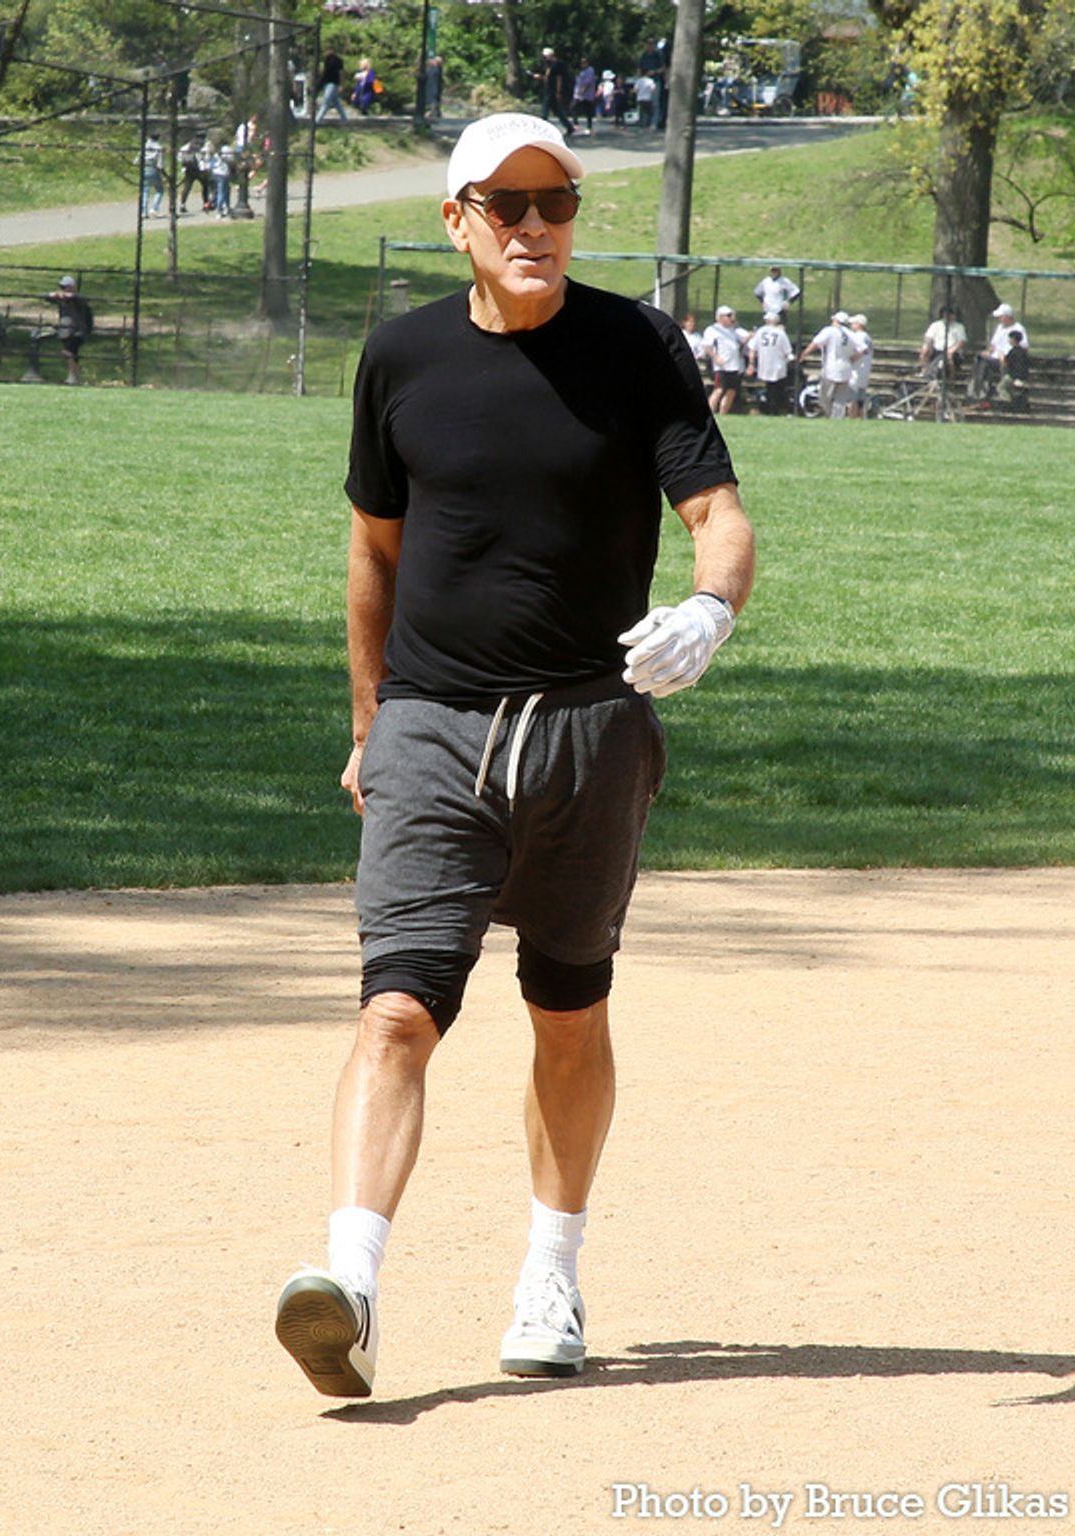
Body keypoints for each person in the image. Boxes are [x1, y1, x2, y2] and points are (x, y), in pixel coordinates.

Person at [273, 112, 754, 1401]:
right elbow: (374, 550)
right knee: (396, 1007)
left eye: (556, 203)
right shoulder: (401, 357)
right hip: (433, 726)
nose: (535, 225)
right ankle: (348, 1285)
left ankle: (552, 1269)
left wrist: (709, 609)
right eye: (507, 204)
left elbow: (717, 512)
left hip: (591, 731)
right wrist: (368, 724)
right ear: (457, 221)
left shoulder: (635, 345)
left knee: (567, 1008)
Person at [798, 308, 864, 419]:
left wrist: (804, 354)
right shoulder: (850, 334)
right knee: (840, 398)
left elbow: (816, 343)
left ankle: (829, 414)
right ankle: (837, 418)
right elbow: (862, 349)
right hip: (845, 367)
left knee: (824, 395)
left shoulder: (830, 330)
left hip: (831, 368)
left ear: (836, 320)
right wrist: (852, 359)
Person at [44, 275, 93, 385]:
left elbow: (79, 298)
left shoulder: (78, 299)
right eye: (62, 287)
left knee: (68, 352)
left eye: (65, 287)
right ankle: (75, 376)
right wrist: (53, 294)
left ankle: (73, 376)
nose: (63, 289)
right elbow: (45, 296)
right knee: (71, 353)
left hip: (78, 330)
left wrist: (68, 295)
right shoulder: (62, 299)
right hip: (67, 330)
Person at [702, 303, 750, 416]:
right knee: (719, 389)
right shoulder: (713, 330)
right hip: (721, 366)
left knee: (731, 391)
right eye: (728, 316)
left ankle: (723, 413)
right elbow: (706, 346)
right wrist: (715, 358)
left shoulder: (733, 330)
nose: (731, 318)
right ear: (720, 317)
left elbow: (744, 339)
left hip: (734, 365)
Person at [746, 310, 795, 415]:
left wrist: (751, 364)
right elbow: (788, 351)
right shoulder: (780, 333)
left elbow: (752, 349)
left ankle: (771, 409)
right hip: (778, 365)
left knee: (770, 388)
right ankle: (776, 409)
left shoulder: (760, 332)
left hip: (764, 364)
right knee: (778, 388)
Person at [537, 47, 576, 135]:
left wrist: (558, 91)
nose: (545, 58)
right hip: (548, 89)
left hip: (553, 90)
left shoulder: (558, 64)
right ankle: (569, 127)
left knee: (545, 109)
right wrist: (540, 77)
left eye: (546, 56)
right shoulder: (548, 65)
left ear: (551, 55)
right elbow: (547, 77)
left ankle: (541, 126)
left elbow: (559, 78)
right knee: (557, 111)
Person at [919, 305, 967, 375]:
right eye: (945, 314)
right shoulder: (935, 325)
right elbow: (928, 338)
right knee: (925, 350)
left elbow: (961, 342)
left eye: (950, 315)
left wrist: (952, 350)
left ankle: (952, 377)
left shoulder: (959, 327)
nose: (948, 317)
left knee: (949, 356)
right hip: (937, 350)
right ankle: (925, 371)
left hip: (953, 352)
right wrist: (928, 346)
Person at [996, 328, 1030, 413]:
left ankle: (1007, 402)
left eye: (1010, 338)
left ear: (1013, 340)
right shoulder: (1023, 351)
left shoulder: (1013, 351)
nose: (1009, 340)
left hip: (1013, 376)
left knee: (1000, 387)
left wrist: (1001, 356)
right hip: (1023, 376)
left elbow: (1005, 363)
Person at [848, 313, 873, 419]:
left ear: (859, 324)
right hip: (864, 370)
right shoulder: (867, 337)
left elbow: (862, 350)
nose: (851, 325)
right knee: (860, 398)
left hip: (857, 370)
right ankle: (860, 416)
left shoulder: (859, 336)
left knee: (853, 397)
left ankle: (852, 417)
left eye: (853, 323)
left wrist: (850, 360)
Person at [317, 49, 348, 122]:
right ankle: (344, 119)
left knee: (326, 101)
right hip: (327, 83)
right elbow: (324, 72)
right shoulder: (326, 60)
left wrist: (341, 84)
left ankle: (318, 119)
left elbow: (341, 73)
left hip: (333, 83)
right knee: (337, 102)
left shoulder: (338, 60)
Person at [178, 138, 208, 213]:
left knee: (187, 187)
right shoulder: (198, 149)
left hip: (188, 170)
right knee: (205, 186)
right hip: (197, 170)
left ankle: (182, 205)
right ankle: (206, 204)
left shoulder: (184, 149)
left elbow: (180, 159)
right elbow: (200, 160)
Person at [571, 58, 597, 135]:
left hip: (586, 95)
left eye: (584, 62)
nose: (582, 64)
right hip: (578, 94)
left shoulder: (590, 70)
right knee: (573, 107)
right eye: (581, 62)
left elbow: (588, 82)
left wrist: (583, 90)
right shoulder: (582, 71)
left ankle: (589, 127)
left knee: (588, 111)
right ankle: (575, 123)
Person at [140, 136, 164, 217]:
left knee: (145, 191)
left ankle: (144, 211)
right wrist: (161, 171)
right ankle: (154, 208)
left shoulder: (144, 146)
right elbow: (160, 164)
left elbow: (137, 160)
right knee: (160, 190)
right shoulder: (158, 147)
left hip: (144, 169)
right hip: (153, 169)